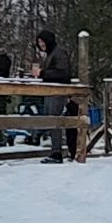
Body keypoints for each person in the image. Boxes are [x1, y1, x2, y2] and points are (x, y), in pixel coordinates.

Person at [32, 30, 75, 163]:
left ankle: (57, 153)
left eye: (42, 41)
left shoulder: (59, 53)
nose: (41, 44)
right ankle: (54, 149)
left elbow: (63, 73)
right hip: (52, 92)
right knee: (50, 119)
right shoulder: (51, 54)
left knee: (54, 120)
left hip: (58, 92)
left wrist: (42, 73)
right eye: (39, 42)